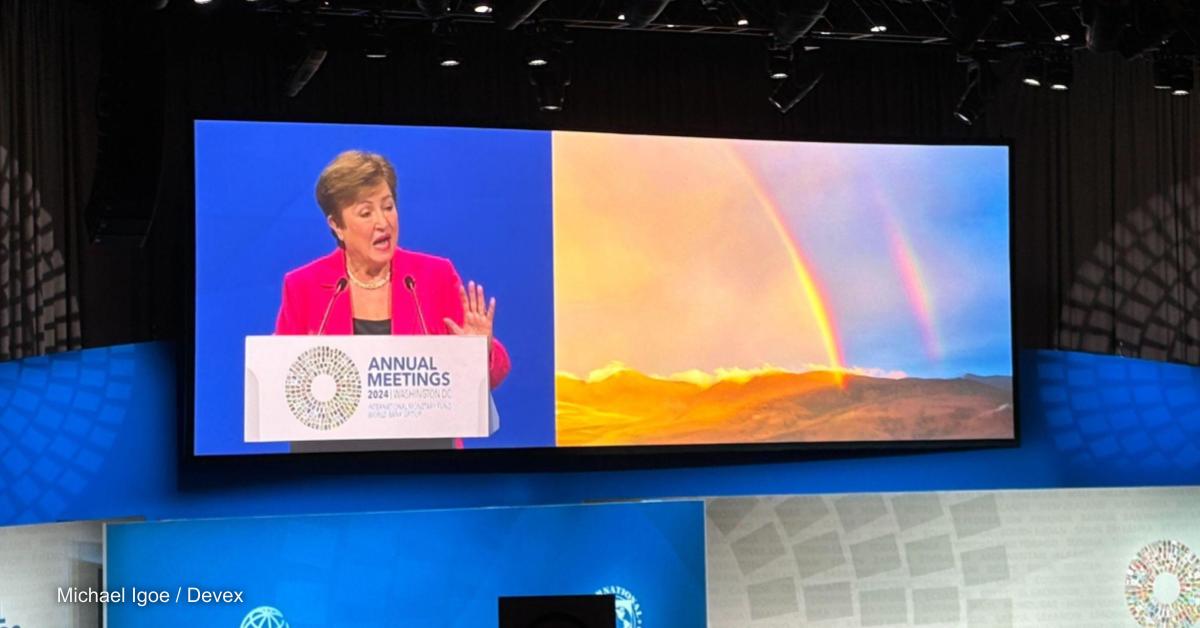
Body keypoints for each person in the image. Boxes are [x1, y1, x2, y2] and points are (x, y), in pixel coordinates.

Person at [274, 149, 511, 390]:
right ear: (337, 225)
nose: (383, 222)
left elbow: (489, 377)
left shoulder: (434, 276)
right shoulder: (304, 286)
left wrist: (481, 350)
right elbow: (281, 378)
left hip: (424, 427)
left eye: (388, 207)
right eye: (366, 213)